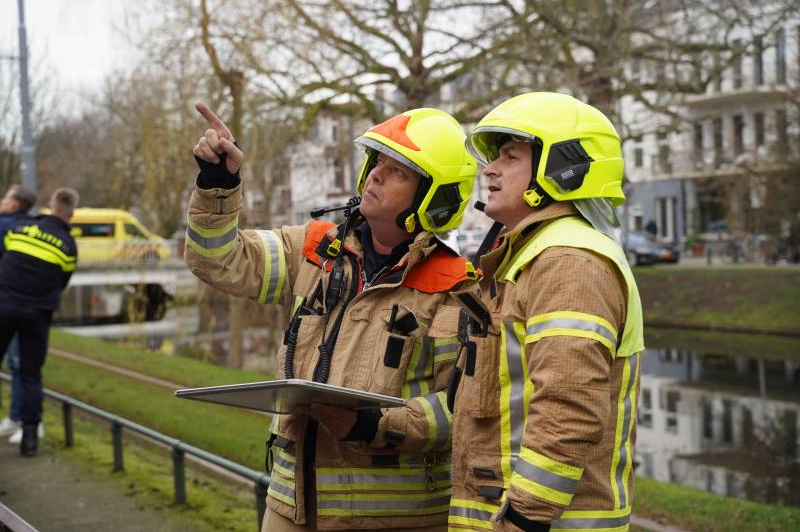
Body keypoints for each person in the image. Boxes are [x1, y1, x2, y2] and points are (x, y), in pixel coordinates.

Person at [186, 103, 478, 531]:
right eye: (376, 161)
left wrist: (374, 424)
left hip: (394, 520)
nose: (375, 174)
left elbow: (465, 411)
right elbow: (217, 260)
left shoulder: (456, 288)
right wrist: (218, 183)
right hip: (291, 505)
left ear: (434, 198)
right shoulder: (314, 250)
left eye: (397, 170)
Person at [447, 92, 644, 531]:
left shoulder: (568, 261)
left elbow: (568, 407)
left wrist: (522, 518)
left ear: (563, 167)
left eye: (510, 156)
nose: (489, 169)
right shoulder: (533, 254)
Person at [0, 187, 79, 456]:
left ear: (49, 205)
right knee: (30, 375)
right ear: (72, 214)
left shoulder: (21, 228)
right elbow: (63, 282)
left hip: (4, 305)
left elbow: (8, 254)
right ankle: (30, 439)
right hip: (37, 314)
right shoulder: (68, 246)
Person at [0, 184, 38, 444]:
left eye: (5, 198)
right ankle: (22, 419)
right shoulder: (31, 228)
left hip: (8, 303)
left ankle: (18, 419)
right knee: (25, 366)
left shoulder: (5, 226)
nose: (2, 201)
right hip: (31, 306)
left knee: (17, 363)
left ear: (14, 204)